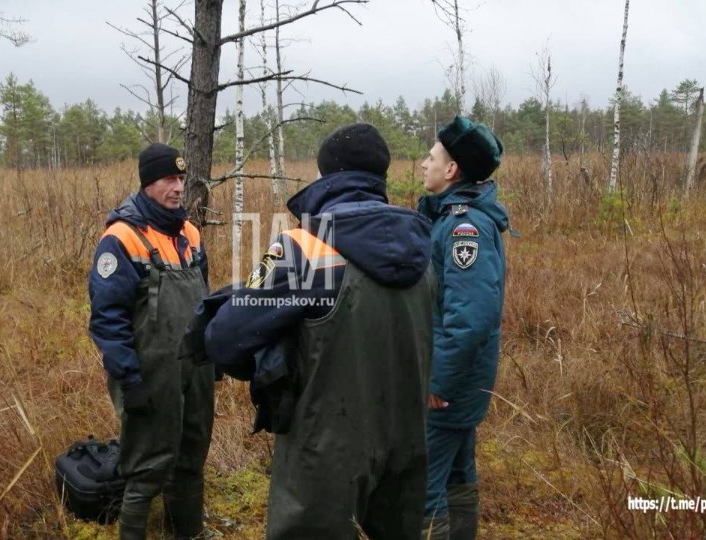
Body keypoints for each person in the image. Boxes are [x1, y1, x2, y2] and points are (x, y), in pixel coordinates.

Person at [204, 123, 436, 539]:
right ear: (380, 176)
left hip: (326, 447)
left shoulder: (305, 246)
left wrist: (265, 359)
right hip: (409, 437)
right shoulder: (421, 248)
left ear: (327, 175)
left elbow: (224, 339)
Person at [88, 143, 213, 540]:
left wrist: (213, 354)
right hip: (149, 373)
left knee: (192, 457)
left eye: (181, 178)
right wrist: (130, 379)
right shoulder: (121, 238)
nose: (178, 188)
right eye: (168, 180)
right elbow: (108, 320)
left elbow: (203, 300)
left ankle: (189, 534)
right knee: (146, 469)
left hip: (194, 368)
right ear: (147, 184)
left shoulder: (190, 233)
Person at [417, 116, 509, 540]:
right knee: (457, 472)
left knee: (425, 487)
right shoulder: (451, 218)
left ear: (451, 170)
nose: (424, 163)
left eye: (432, 157)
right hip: (461, 383)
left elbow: (470, 316)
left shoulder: (463, 226)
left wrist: (439, 381)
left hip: (449, 386)